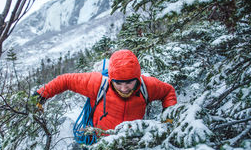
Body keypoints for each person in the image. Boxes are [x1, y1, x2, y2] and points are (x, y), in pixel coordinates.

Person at [35, 49, 177, 131]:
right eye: (118, 83)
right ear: (111, 79)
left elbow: (168, 91)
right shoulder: (98, 84)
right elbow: (65, 80)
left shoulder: (147, 86)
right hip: (98, 141)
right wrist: (41, 95)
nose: (124, 88)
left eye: (129, 83)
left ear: (138, 79)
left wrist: (168, 117)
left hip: (132, 142)